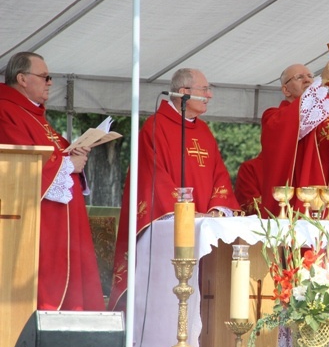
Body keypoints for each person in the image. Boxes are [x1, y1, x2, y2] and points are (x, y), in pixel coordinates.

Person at [108, 68, 240, 311]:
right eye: (205, 89)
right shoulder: (155, 127)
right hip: (169, 227)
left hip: (203, 228)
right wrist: (185, 212)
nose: (210, 95)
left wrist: (215, 211)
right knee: (169, 301)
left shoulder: (204, 131)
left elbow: (219, 173)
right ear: (184, 92)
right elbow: (153, 178)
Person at [0, 51, 104, 311]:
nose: (50, 83)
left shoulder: (35, 115)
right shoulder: (6, 111)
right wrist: (69, 164)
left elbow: (54, 155)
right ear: (22, 78)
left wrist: (76, 153)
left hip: (62, 219)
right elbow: (19, 166)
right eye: (45, 77)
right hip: (37, 223)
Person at [260, 58, 329, 221]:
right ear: (286, 90)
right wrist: (322, 81)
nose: (307, 80)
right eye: (299, 77)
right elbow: (297, 121)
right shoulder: (274, 115)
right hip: (298, 195)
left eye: (310, 76)